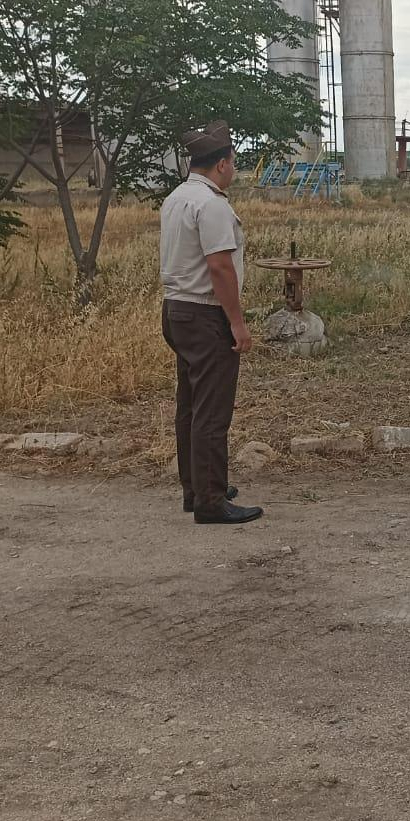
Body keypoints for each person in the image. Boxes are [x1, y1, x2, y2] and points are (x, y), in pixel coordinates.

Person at [159, 120, 261, 525]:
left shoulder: (177, 198)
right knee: (212, 411)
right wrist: (237, 323)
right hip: (205, 313)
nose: (234, 169)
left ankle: (196, 488)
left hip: (176, 309)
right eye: (233, 162)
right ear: (221, 164)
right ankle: (211, 501)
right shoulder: (212, 204)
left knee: (190, 406)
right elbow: (219, 266)